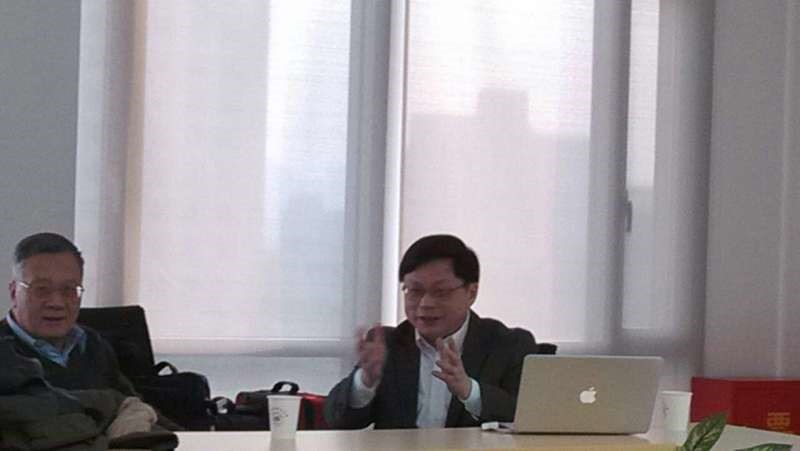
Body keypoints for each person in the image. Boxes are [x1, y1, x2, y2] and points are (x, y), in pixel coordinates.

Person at [324, 234, 538, 429]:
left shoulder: (508, 345)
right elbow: (337, 420)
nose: (425, 303)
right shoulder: (387, 344)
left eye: (441, 291)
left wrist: (469, 391)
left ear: (471, 293)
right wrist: (365, 382)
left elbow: (527, 416)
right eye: (415, 291)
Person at [1, 232, 137, 396]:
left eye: (69, 290)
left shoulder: (93, 344)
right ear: (14, 293)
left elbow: (130, 403)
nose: (57, 303)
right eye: (42, 289)